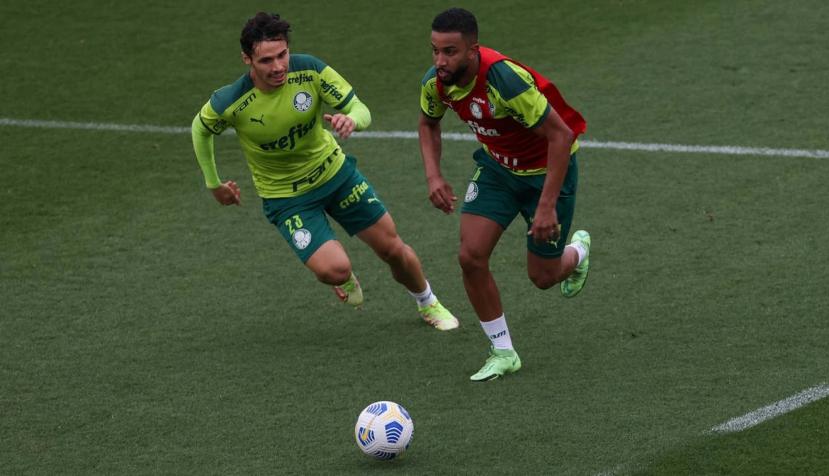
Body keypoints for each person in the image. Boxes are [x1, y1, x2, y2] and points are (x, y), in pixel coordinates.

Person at [191, 12, 458, 331]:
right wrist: (214, 183)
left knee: (392, 248)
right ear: (247, 59)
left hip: (337, 176)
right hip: (287, 198)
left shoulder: (310, 70)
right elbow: (200, 128)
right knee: (335, 269)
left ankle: (428, 302)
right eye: (266, 61)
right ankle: (343, 281)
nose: (278, 67)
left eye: (282, 55)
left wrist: (352, 120)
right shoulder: (231, 101)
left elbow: (361, 109)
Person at [417, 8, 591, 380]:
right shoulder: (436, 83)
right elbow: (428, 123)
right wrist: (433, 175)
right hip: (498, 169)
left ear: (472, 50)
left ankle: (577, 254)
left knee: (543, 277)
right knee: (470, 256)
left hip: (546, 171)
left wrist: (546, 207)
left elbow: (561, 136)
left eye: (449, 52)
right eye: (435, 51)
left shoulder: (504, 81)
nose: (439, 61)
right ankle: (503, 350)